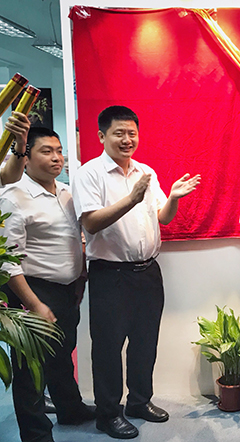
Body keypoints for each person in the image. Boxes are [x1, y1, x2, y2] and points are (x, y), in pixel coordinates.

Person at [72, 106, 200, 440]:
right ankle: (108, 414)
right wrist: (131, 199)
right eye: (119, 133)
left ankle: (139, 402)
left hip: (147, 273)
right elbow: (91, 223)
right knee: (108, 348)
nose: (127, 139)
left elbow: (163, 217)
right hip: (110, 275)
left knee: (145, 343)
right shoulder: (89, 174)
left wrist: (173, 197)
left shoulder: (146, 171)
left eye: (132, 133)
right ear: (102, 136)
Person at [0, 127, 94, 442]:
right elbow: (7, 261)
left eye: (59, 150)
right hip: (33, 290)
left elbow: (74, 240)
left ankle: (70, 409)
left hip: (67, 289)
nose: (57, 158)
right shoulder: (13, 197)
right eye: (46, 151)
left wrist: (80, 279)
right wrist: (35, 304)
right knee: (31, 370)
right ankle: (36, 434)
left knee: (63, 354)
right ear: (25, 158)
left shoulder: (66, 192)